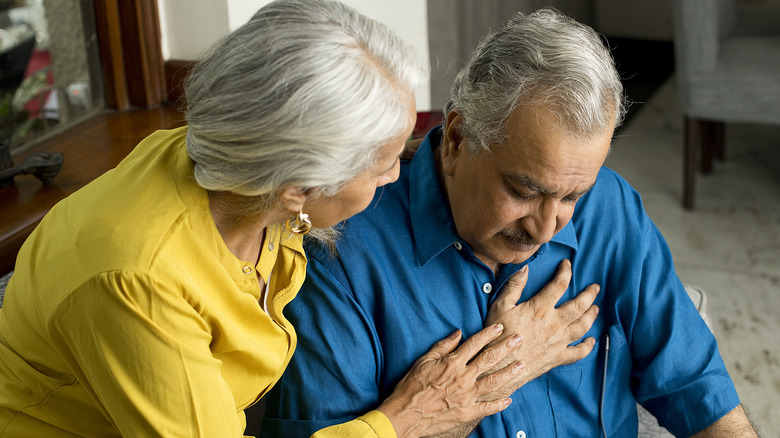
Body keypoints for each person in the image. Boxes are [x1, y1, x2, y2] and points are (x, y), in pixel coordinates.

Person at [0, 1, 599, 437]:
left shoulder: (247, 161)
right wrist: (405, 419)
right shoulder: (137, 281)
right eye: (386, 164)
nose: (400, 175)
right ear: (299, 190)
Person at [259, 7, 758, 438]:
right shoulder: (342, 248)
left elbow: (694, 382)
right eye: (525, 191)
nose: (547, 228)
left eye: (571, 197)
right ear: (456, 140)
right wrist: (503, 369)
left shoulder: (610, 207)